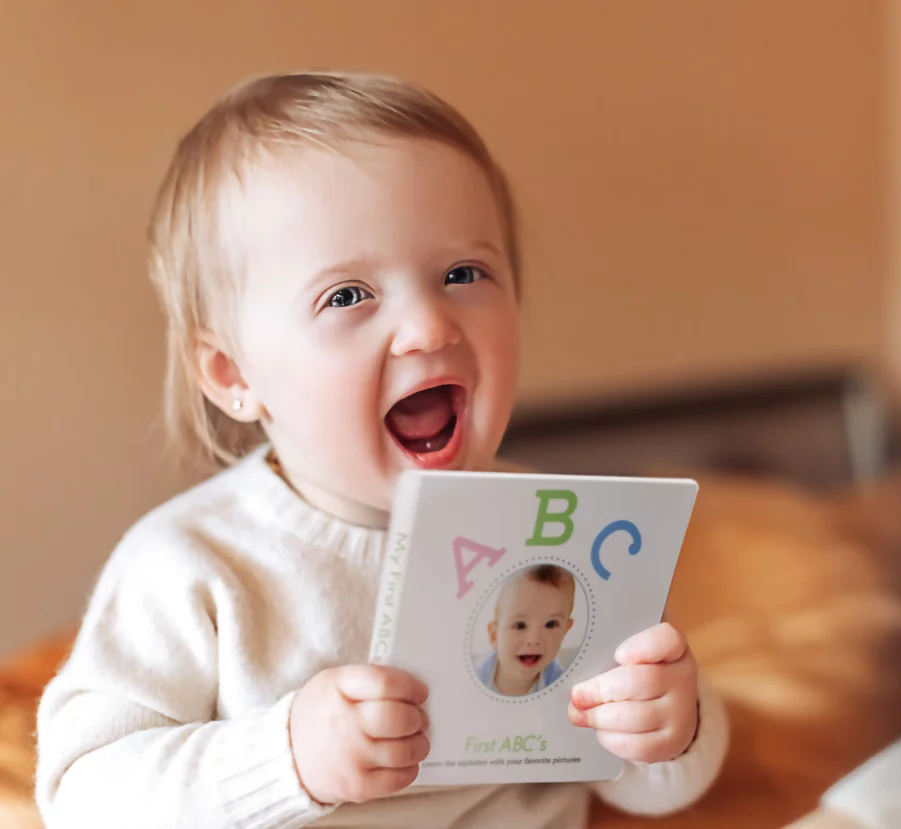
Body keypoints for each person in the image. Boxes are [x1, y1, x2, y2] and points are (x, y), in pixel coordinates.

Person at [35, 71, 728, 827]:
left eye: (464, 273)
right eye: (347, 295)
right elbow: (83, 797)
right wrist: (286, 756)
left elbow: (648, 785)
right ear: (234, 373)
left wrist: (671, 723)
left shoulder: (551, 528)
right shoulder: (193, 565)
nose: (430, 326)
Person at [476, 564, 575, 696]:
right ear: (494, 636)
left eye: (551, 624)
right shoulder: (475, 678)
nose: (534, 640)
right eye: (520, 625)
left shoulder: (561, 685)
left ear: (565, 631)